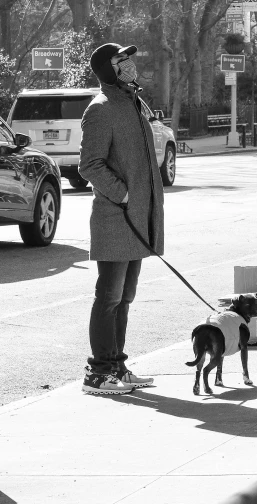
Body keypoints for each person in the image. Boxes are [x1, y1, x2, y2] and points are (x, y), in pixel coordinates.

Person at [78, 43, 165, 395]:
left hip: (137, 218)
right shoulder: (100, 109)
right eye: (120, 61)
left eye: (128, 59)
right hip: (115, 219)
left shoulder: (131, 102)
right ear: (107, 70)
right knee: (109, 296)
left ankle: (117, 366)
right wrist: (124, 195)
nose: (129, 65)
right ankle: (98, 374)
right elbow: (89, 165)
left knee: (125, 296)